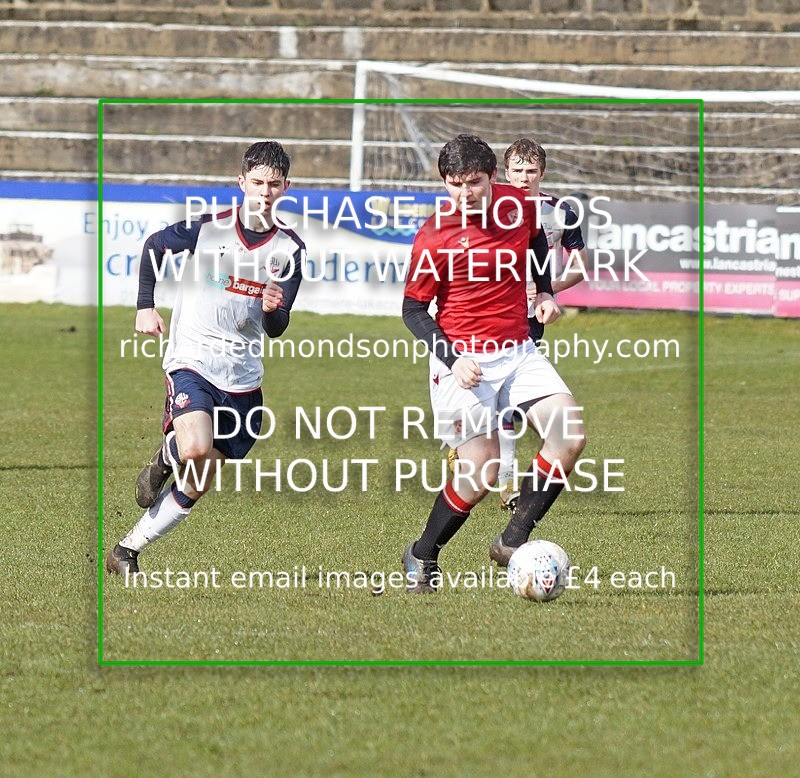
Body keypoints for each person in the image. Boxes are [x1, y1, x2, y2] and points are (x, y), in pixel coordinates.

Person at [106, 141, 305, 576]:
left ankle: (126, 550)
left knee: (200, 478)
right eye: (257, 182)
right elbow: (154, 246)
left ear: (287, 187)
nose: (265, 192)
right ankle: (167, 455)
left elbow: (277, 327)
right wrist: (145, 305)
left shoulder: (289, 250)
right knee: (195, 446)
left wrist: (274, 310)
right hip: (192, 357)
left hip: (243, 376)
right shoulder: (209, 228)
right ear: (241, 183)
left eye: (274, 184)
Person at [401, 134, 586, 593]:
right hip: (463, 360)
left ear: (493, 178)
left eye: (474, 183)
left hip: (518, 350)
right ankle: (422, 553)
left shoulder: (519, 206)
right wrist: (452, 358)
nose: (464, 193)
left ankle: (512, 539)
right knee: (481, 472)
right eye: (454, 183)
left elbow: (537, 244)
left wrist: (543, 291)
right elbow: (413, 310)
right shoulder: (433, 235)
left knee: (570, 434)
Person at [495, 137, 589, 511]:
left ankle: (500, 474)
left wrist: (546, 289)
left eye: (530, 171)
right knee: (503, 402)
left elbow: (580, 267)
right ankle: (505, 483)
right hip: (493, 311)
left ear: (542, 173)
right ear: (505, 172)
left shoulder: (560, 212)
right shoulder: (491, 208)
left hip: (532, 314)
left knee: (511, 403)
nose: (523, 178)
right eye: (517, 170)